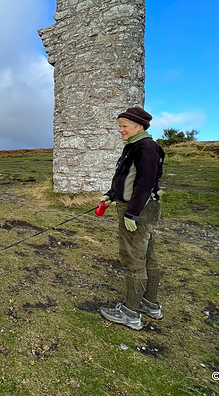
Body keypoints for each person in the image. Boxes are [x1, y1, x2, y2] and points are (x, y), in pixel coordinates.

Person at [98, 107, 165, 330]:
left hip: (140, 211)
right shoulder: (134, 146)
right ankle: (150, 304)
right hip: (135, 208)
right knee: (146, 255)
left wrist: (132, 212)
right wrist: (111, 195)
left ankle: (130, 313)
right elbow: (126, 178)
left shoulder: (147, 148)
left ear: (139, 126)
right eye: (120, 125)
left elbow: (145, 183)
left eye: (124, 126)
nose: (120, 130)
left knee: (133, 258)